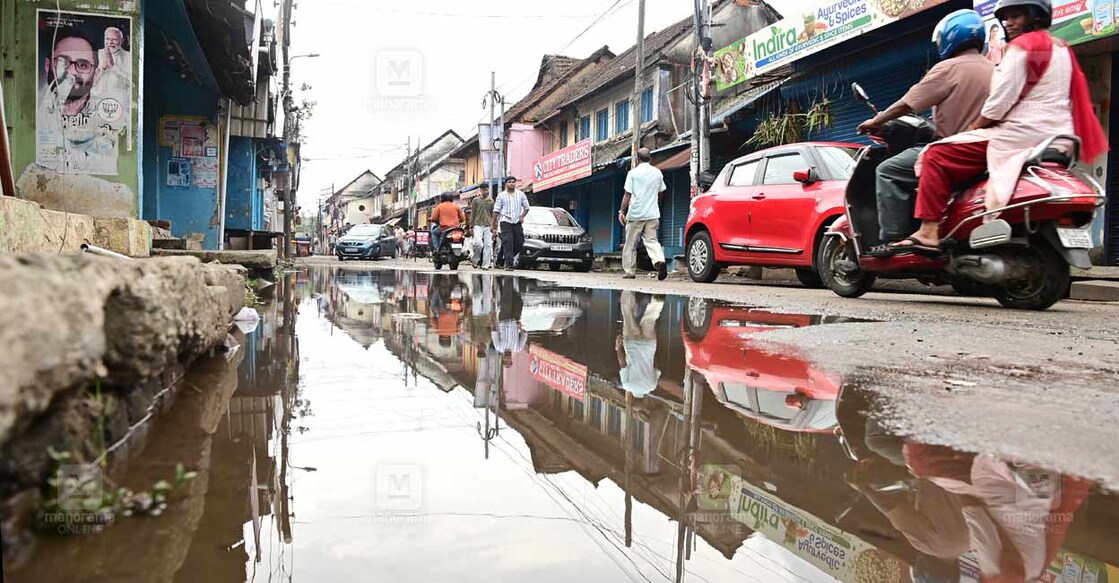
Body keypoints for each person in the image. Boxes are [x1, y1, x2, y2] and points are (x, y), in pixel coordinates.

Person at [893, 0, 1107, 252]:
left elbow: (997, 105)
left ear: (1035, 16)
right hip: (1059, 138)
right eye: (1007, 17)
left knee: (935, 154)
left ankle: (928, 231)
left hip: (1018, 137)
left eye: (1017, 16)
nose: (1009, 23)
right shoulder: (1062, 49)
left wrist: (975, 125)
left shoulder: (1021, 48)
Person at [856, 9, 995, 254]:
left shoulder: (948, 68)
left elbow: (907, 103)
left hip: (956, 149)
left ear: (950, 37)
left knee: (887, 170)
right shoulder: (995, 67)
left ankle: (894, 238)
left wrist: (876, 120)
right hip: (990, 149)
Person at [620, 148, 668, 280]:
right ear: (650, 158)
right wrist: (656, 205)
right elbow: (661, 192)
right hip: (652, 214)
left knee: (630, 243)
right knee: (652, 240)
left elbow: (627, 194)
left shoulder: (633, 173)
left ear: (637, 159)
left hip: (636, 213)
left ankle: (630, 271)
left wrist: (621, 211)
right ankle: (659, 260)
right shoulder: (657, 173)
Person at [615, 291, 664, 398]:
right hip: (632, 344)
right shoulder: (627, 385)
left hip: (649, 345)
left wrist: (652, 349)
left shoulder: (652, 386)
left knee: (650, 319)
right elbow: (623, 364)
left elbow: (655, 365)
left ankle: (657, 302)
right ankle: (628, 290)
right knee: (627, 315)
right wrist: (618, 348)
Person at [491, 177, 530, 271]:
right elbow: (496, 211)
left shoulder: (521, 194)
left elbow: (527, 207)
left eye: (513, 182)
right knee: (508, 242)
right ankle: (509, 264)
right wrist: (493, 225)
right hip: (505, 221)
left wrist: (522, 216)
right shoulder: (501, 196)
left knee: (519, 242)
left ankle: (501, 259)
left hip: (516, 221)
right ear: (506, 184)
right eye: (509, 182)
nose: (512, 184)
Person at [470, 184, 496, 269]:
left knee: (488, 245)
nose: (485, 191)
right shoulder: (476, 200)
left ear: (488, 190)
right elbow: (473, 213)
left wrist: (494, 226)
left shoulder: (491, 201)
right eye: (483, 190)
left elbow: (493, 214)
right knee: (478, 244)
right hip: (477, 224)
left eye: (486, 189)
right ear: (480, 190)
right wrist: (471, 226)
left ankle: (485, 264)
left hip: (488, 225)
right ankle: (475, 259)